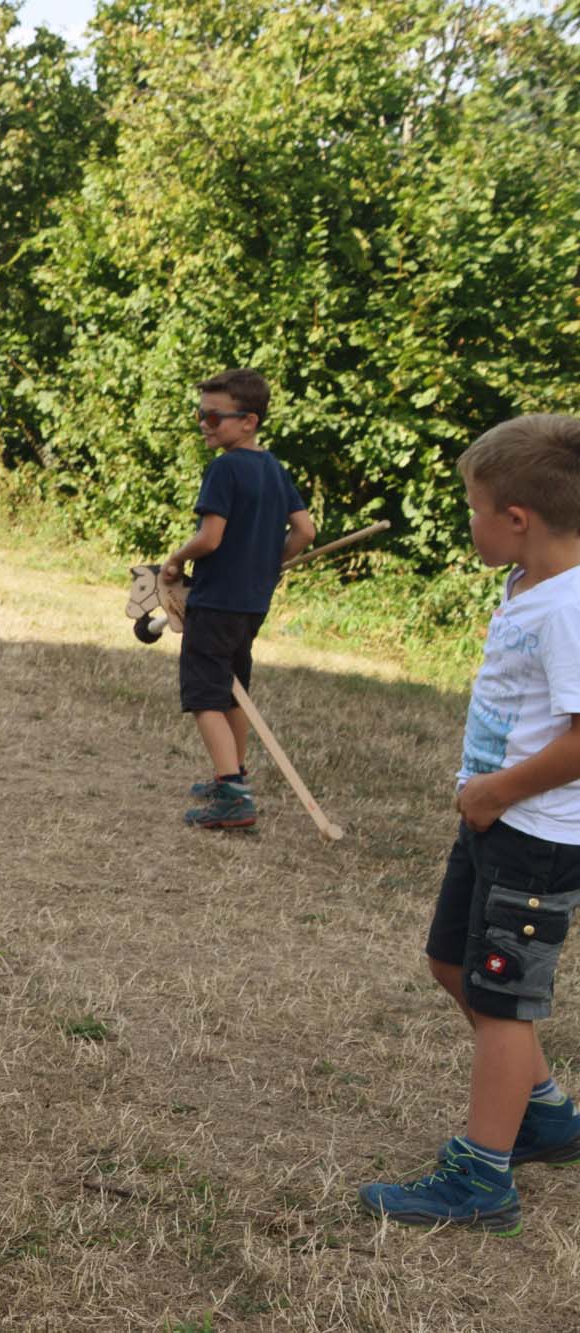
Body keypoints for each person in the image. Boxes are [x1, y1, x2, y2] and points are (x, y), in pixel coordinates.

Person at [358, 414, 580, 1234]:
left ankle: (483, 1176)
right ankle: (548, 1117)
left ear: (516, 517)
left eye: (473, 507)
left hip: (538, 833)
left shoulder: (570, 608)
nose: (469, 520)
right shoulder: (528, 582)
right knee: (451, 962)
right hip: (496, 819)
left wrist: (496, 792)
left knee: (504, 1002)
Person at [160, 369, 314, 830]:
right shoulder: (273, 467)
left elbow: (209, 538)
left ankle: (231, 795)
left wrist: (175, 559)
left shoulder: (224, 468)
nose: (204, 425)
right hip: (251, 602)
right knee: (233, 692)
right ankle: (235, 778)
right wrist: (270, 563)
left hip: (217, 598)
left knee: (204, 694)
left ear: (248, 421)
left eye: (213, 417)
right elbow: (305, 531)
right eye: (200, 415)